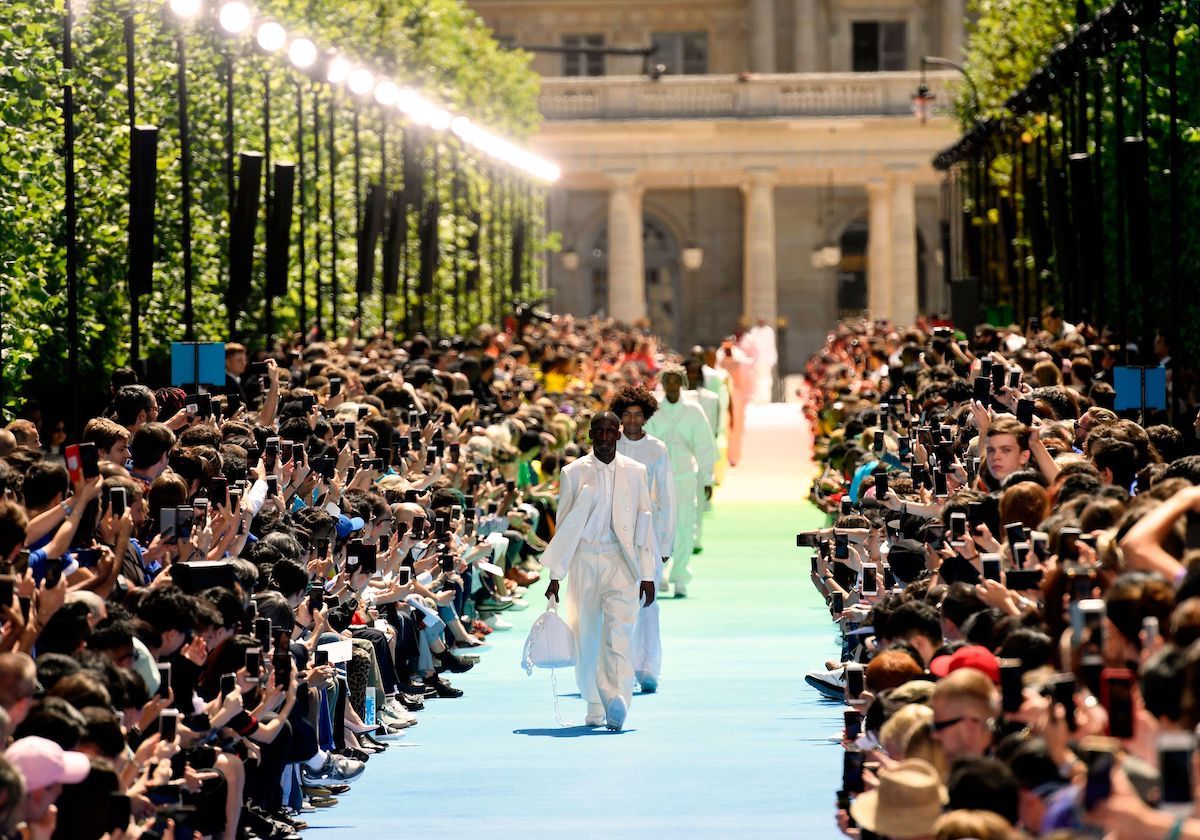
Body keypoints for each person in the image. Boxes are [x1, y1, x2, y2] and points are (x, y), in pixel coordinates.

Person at [542, 413, 657, 731]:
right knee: (588, 635)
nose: (605, 437)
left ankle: (617, 698)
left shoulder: (636, 472)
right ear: (591, 434)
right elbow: (564, 527)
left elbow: (644, 525)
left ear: (619, 435)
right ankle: (595, 704)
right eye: (599, 432)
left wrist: (647, 574)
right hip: (584, 560)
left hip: (622, 562)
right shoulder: (573, 472)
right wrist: (555, 576)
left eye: (611, 431)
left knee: (619, 633)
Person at [612, 386, 676, 694]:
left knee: (649, 602)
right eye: (627, 414)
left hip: (647, 532)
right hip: (612, 534)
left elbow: (667, 496)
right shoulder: (609, 443)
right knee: (620, 602)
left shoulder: (657, 449)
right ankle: (623, 665)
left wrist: (666, 543)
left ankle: (649, 667)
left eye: (639, 415)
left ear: (646, 416)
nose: (633, 420)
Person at [645, 367, 715, 597]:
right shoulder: (654, 411)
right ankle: (660, 571)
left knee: (685, 525)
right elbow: (645, 444)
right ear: (662, 384)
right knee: (659, 525)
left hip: (685, 476)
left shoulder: (693, 411)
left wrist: (707, 478)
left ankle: (681, 575)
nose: (672, 386)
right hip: (658, 476)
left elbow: (704, 445)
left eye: (676, 381)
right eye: (668, 381)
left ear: (683, 383)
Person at [746, 315, 778, 404]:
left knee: (766, 379)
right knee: (756, 380)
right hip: (756, 360)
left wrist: (773, 359)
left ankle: (765, 399)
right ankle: (757, 399)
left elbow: (771, 346)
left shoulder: (769, 331)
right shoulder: (754, 331)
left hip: (766, 360)